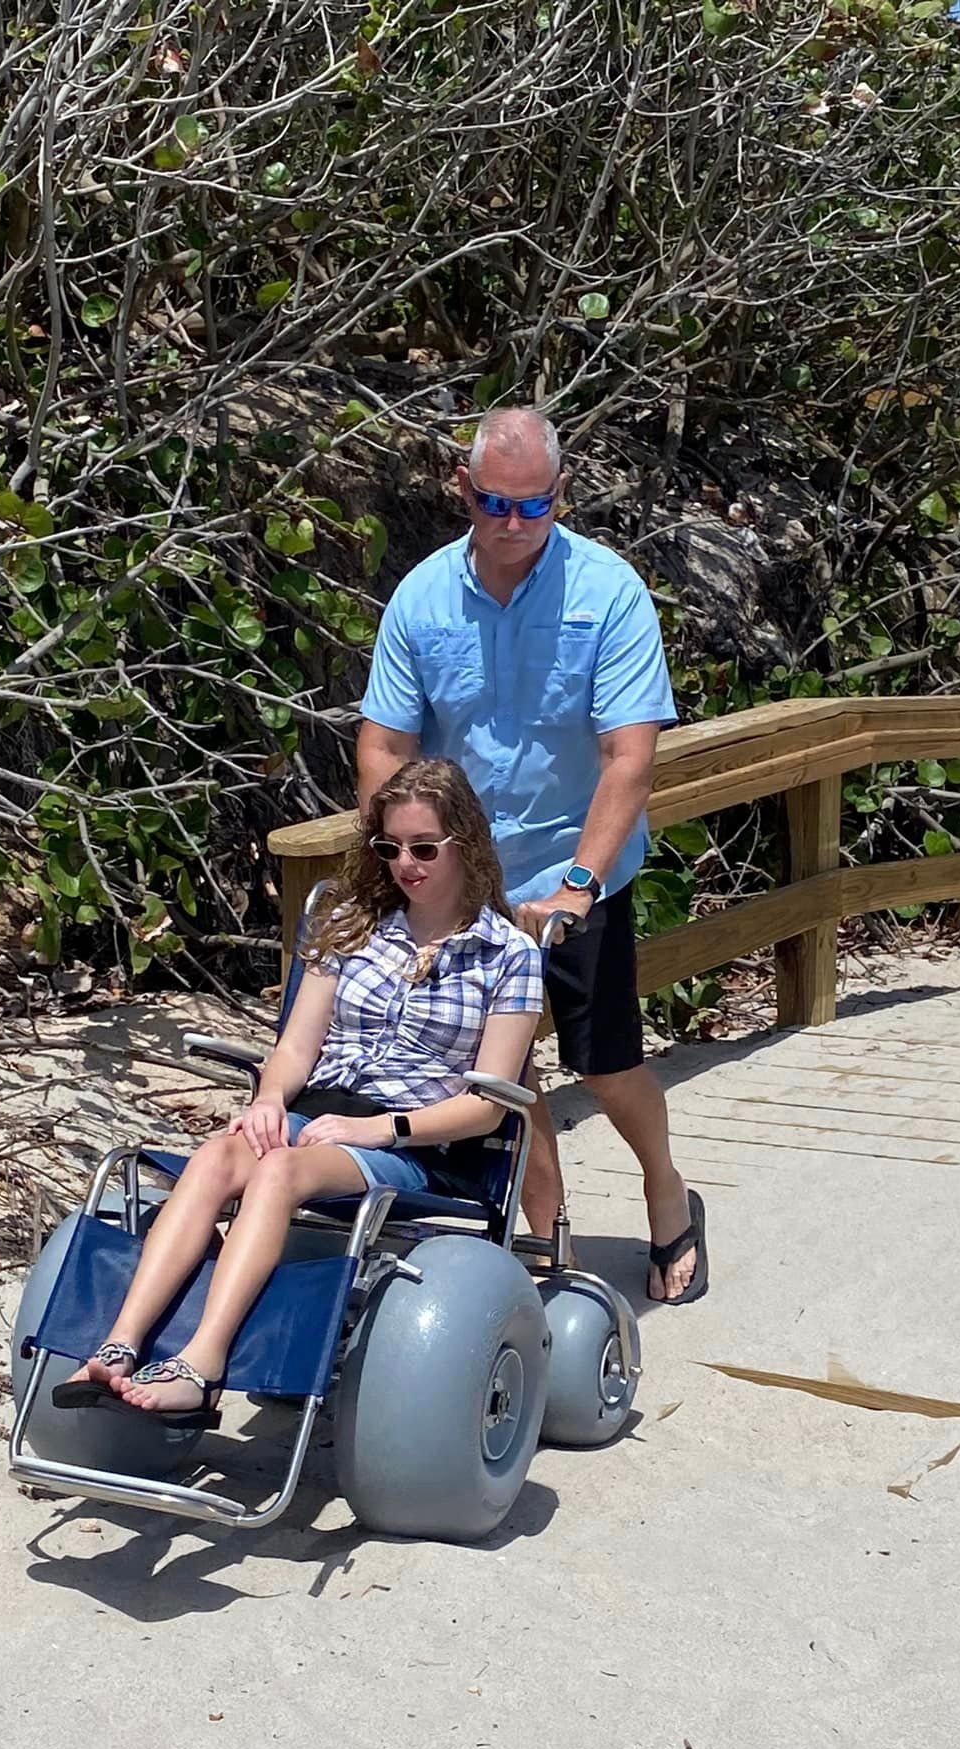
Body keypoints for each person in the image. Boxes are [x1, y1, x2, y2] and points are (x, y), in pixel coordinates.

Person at [57, 759, 545, 1420]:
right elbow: (294, 1049)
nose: (406, 864)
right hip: (318, 1114)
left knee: (279, 1171)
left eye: (424, 848)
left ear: (467, 844)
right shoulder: (351, 926)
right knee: (217, 1156)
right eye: (390, 847)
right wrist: (267, 1100)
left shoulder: (508, 956)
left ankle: (202, 1363)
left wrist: (379, 1129)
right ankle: (120, 1342)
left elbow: (487, 1106)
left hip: (417, 1140)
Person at [356, 406, 707, 1305]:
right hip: (463, 879)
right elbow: (384, 746)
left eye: (534, 505)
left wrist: (580, 885)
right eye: (496, 503)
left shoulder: (608, 591)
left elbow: (629, 756)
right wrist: (395, 862)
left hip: (575, 869)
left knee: (605, 1062)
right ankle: (548, 1245)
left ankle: (666, 1189)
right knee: (500, 1071)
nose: (513, 522)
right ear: (463, 488)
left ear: (562, 495)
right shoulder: (422, 597)